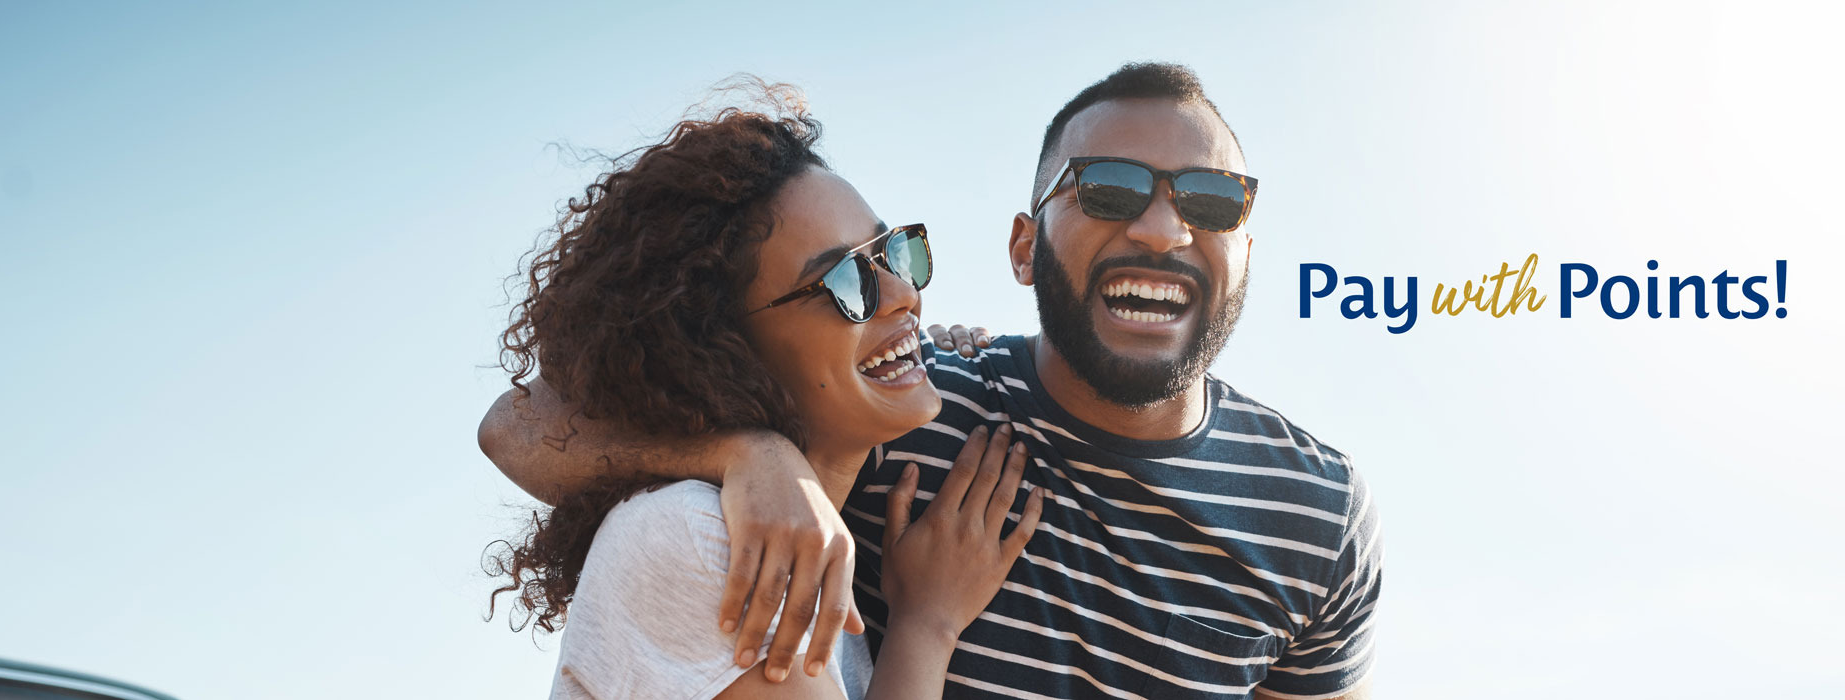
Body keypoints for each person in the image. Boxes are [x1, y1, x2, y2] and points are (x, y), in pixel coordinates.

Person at [482, 63, 1383, 699]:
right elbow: (519, 425)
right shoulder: (902, 412)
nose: (1162, 230)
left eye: (1211, 200)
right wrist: (747, 453)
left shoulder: (1320, 513)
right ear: (1025, 249)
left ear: (1247, 251)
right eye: (1108, 191)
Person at [482, 83, 1046, 699]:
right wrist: (927, 625)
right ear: (723, 346)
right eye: (847, 281)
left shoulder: (797, 556)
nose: (903, 294)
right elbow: (508, 426)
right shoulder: (702, 538)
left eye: (894, 254)